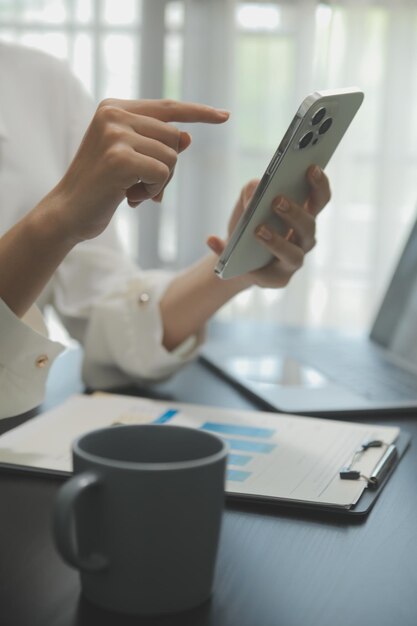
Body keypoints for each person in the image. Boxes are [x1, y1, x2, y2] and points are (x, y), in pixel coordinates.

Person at [0, 41, 330, 419]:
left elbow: (108, 321)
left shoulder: (41, 83)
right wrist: (56, 222)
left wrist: (238, 261)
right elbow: (62, 223)